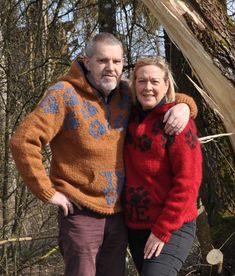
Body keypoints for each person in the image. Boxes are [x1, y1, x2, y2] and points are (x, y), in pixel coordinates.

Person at [10, 33, 198, 276]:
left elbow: (160, 96)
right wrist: (47, 191)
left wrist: (185, 106)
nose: (111, 68)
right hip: (81, 212)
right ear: (87, 62)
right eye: (102, 61)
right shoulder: (63, 94)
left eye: (117, 62)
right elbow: (23, 140)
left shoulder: (126, 93)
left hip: (120, 216)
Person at [123, 56, 202, 276]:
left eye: (155, 81)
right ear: (133, 84)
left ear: (166, 84)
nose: (148, 87)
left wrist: (162, 230)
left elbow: (188, 184)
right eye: (141, 81)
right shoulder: (125, 116)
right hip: (135, 228)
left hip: (173, 225)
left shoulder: (176, 123)